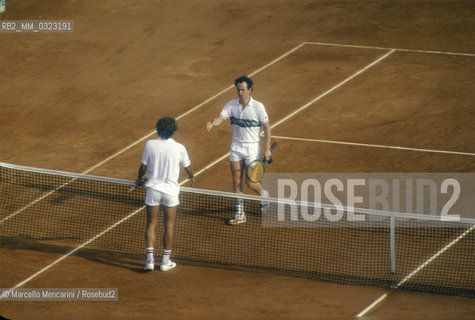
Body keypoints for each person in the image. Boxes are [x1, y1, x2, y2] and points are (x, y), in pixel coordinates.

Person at [206, 75, 271, 225]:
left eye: (243, 90)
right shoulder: (231, 105)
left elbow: (267, 127)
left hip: (252, 148)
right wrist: (212, 123)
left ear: (250, 90)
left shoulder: (258, 107)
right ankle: (240, 214)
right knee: (236, 182)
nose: (240, 93)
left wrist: (267, 149)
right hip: (236, 147)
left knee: (250, 182)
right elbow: (220, 118)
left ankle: (263, 194)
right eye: (238, 90)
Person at [136, 116, 194, 272]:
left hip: (153, 190)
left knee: (151, 224)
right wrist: (191, 175)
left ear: (158, 129)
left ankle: (149, 260)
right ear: (173, 131)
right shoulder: (180, 148)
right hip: (171, 192)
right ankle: (165, 262)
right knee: (169, 226)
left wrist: (138, 178)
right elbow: (188, 168)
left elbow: (143, 167)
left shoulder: (150, 144)